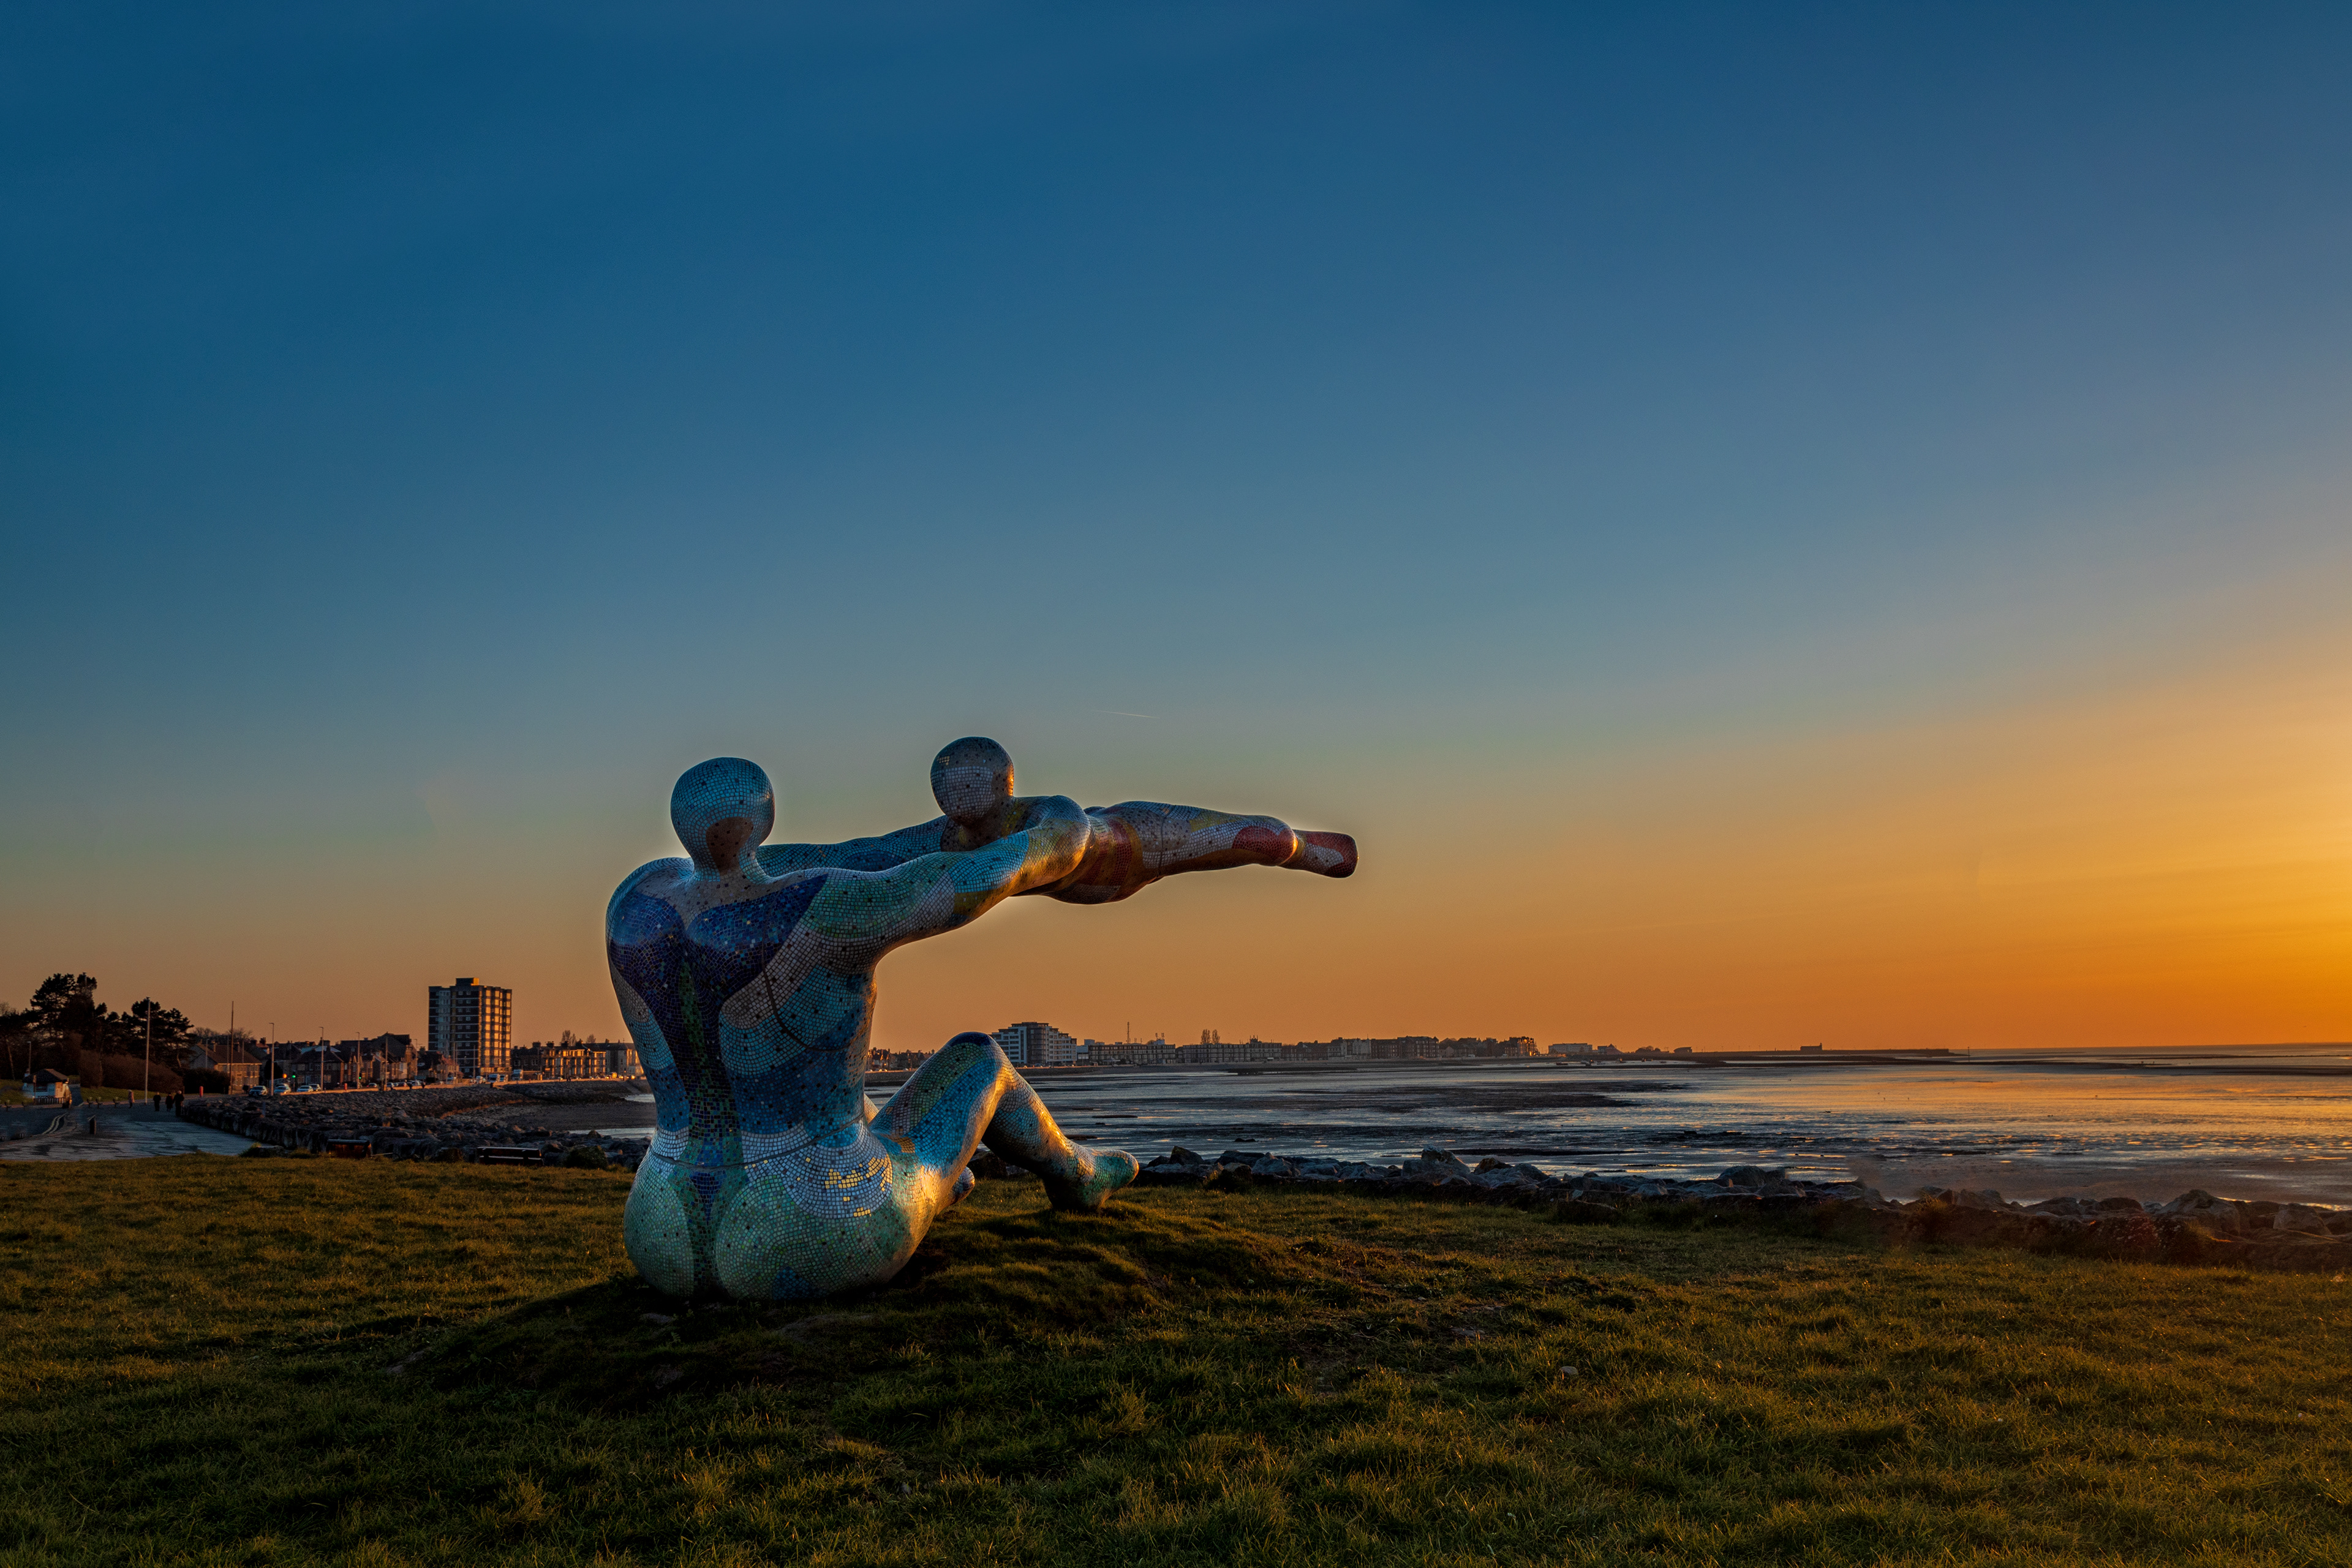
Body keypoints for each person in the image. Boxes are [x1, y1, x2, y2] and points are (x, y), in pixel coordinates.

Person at [606, 737, 1355, 1300]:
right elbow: (971, 882)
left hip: (664, 1229)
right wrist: (1058, 832)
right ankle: (1081, 1177)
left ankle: (944, 1178)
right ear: (764, 818)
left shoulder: (638, 902)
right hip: (817, 1223)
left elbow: (843, 857)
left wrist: (943, 835)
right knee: (977, 1061)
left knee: (827, 1094)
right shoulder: (822, 908)